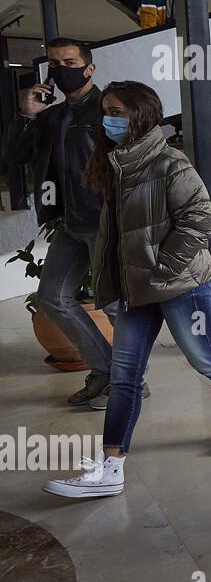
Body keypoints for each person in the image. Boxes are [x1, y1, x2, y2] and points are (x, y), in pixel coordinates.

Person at [43, 81, 211, 499]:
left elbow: (200, 219)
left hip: (179, 284)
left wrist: (162, 265)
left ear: (141, 114)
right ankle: (111, 466)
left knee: (204, 358)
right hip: (137, 288)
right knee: (125, 374)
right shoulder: (114, 161)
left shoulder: (170, 163)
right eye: (105, 111)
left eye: (116, 111)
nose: (107, 119)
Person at [2, 38, 116, 408]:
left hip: (103, 221)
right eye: (54, 63)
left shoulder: (107, 109)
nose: (61, 69)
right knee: (53, 297)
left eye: (69, 61)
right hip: (67, 222)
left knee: (116, 305)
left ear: (89, 67)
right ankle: (105, 371)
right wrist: (26, 113)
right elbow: (16, 155)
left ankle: (129, 383)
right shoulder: (50, 115)